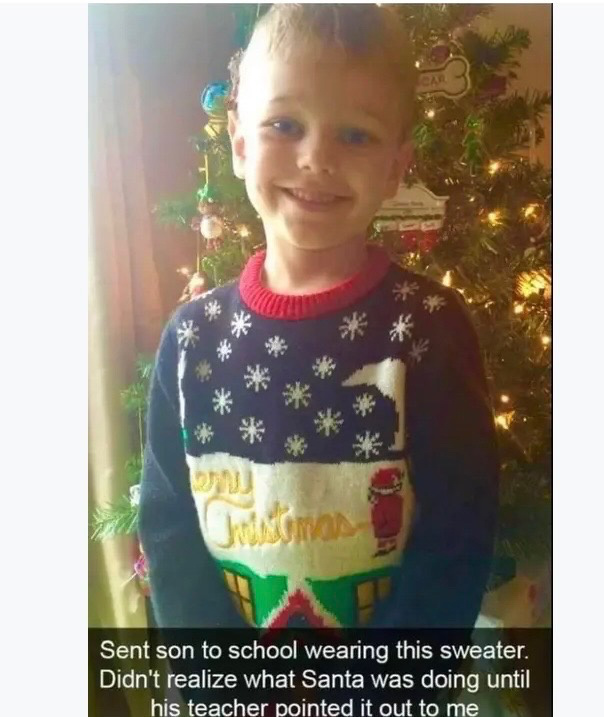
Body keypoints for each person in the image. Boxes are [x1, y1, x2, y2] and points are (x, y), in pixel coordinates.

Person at [139, 4, 499, 631]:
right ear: (240, 144)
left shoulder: (429, 330)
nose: (316, 158)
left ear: (396, 168)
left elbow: (456, 540)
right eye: (284, 124)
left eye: (355, 135)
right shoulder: (191, 339)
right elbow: (169, 531)